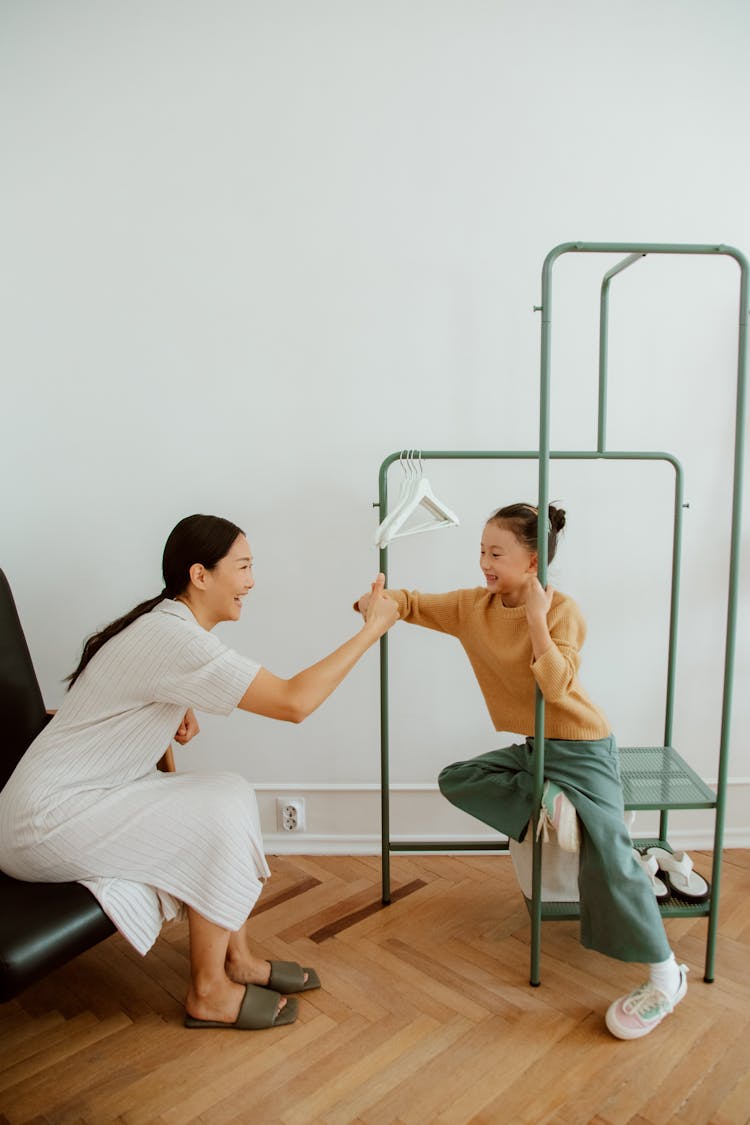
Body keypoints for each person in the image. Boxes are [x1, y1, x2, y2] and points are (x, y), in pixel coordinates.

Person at [0, 514, 399, 1031]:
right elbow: (294, 702)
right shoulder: (174, 639)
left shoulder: (168, 627)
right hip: (43, 820)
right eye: (244, 566)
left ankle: (240, 961)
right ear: (200, 575)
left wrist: (169, 708)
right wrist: (373, 630)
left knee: (229, 790)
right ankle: (208, 991)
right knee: (213, 812)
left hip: (77, 797)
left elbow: (116, 700)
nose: (252, 581)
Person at [356, 502, 688, 1041]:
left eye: (496, 553)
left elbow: (556, 686)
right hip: (535, 749)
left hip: (582, 747)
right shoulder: (474, 606)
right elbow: (414, 602)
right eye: (481, 551)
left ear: (532, 562)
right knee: (457, 777)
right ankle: (549, 798)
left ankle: (666, 976)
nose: (484, 562)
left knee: (611, 856)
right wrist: (381, 602)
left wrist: (535, 617)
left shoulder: (564, 611)